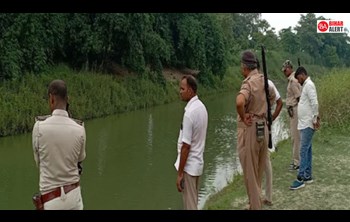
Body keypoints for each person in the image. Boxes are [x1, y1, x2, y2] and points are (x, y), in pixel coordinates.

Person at [32, 79, 86, 210]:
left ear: (51, 99)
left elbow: (38, 161)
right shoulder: (80, 128)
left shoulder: (39, 127)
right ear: (68, 99)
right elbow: (80, 159)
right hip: (74, 198)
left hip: (51, 201)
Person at [236, 50, 275, 210]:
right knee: (258, 173)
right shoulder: (264, 80)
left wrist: (244, 115)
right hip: (263, 128)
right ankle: (254, 204)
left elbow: (239, 102)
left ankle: (255, 206)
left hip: (250, 129)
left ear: (245, 66)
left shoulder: (249, 83)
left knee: (250, 176)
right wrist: (264, 111)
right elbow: (273, 97)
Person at [174, 75, 208, 210]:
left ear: (191, 90)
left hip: (189, 167)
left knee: (190, 206)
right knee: (193, 202)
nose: (180, 91)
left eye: (182, 88)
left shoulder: (189, 113)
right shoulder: (202, 108)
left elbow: (186, 146)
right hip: (198, 163)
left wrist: (180, 173)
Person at [290, 66, 319, 190]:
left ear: (302, 75)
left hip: (308, 123)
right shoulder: (306, 85)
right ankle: (308, 175)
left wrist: (315, 118)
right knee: (307, 150)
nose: (298, 81)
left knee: (303, 150)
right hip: (304, 123)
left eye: (298, 78)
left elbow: (314, 102)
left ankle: (300, 178)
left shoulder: (309, 85)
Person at [282, 60, 301, 171]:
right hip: (293, 110)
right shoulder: (291, 80)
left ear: (289, 68)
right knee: (296, 137)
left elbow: (299, 98)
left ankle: (296, 162)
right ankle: (296, 160)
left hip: (295, 110)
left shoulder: (293, 81)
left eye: (285, 70)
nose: (284, 72)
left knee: (296, 137)